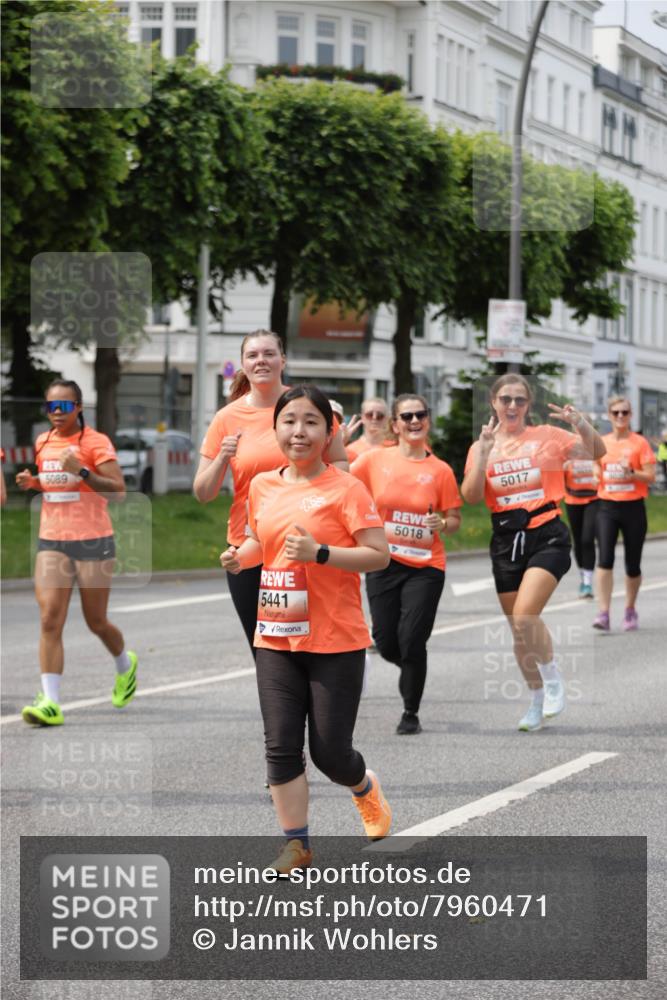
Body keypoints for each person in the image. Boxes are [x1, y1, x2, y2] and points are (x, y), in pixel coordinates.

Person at [220, 385, 392, 873]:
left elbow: (379, 555)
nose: (299, 431)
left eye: (311, 422)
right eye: (289, 421)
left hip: (334, 637)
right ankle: (297, 844)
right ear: (275, 429)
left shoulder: (346, 488)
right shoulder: (262, 486)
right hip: (276, 630)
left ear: (329, 430)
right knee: (279, 743)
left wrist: (321, 553)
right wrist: (240, 558)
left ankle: (363, 786)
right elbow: (259, 540)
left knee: (330, 752)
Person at [461, 374, 605, 733]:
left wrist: (580, 423)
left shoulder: (548, 438)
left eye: (520, 400)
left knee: (526, 616)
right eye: (505, 399)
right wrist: (480, 455)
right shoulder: (484, 444)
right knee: (520, 633)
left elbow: (598, 452)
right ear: (493, 403)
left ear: (528, 405)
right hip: (506, 541)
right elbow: (472, 497)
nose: (512, 406)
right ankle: (537, 699)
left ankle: (554, 680)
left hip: (547, 534)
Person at [194, 330, 349, 657]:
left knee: (308, 644)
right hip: (250, 547)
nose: (260, 360)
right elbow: (203, 492)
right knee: (267, 649)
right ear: (243, 364)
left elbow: (339, 464)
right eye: (252, 355)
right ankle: (286, 707)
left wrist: (323, 502)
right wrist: (222, 457)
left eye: (268, 353)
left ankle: (327, 693)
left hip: (303, 542)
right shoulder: (227, 418)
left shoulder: (306, 404)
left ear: (283, 360)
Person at [15, 379, 137, 726]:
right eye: (50, 406)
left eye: (64, 406)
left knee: (95, 620)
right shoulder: (44, 441)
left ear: (79, 408)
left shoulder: (96, 442)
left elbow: (118, 491)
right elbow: (54, 483)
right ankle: (51, 702)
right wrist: (33, 482)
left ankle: (124, 665)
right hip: (52, 539)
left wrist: (82, 471)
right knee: (49, 618)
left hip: (93, 539)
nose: (56, 412)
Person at [351, 393, 461, 735]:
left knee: (412, 639)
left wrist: (441, 525)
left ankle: (410, 711)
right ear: (395, 425)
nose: (415, 422)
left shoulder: (439, 470)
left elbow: (454, 518)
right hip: (384, 561)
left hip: (426, 565)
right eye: (407, 417)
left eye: (421, 415)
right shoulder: (373, 461)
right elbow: (342, 481)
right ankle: (413, 668)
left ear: (427, 420)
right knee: (385, 641)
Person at [593, 396, 656, 632]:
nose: (620, 416)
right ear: (609, 415)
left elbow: (650, 476)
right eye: (616, 413)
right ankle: (604, 612)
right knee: (605, 559)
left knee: (632, 564)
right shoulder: (601, 442)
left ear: (631, 416)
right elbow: (596, 466)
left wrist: (632, 472)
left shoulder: (639, 443)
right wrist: (595, 472)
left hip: (633, 507)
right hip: (607, 507)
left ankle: (630, 610)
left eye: (625, 413)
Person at [563, 444, 599, 598]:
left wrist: (598, 475)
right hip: (572, 499)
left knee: (587, 539)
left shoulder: (596, 448)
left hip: (594, 499)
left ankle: (588, 582)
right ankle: (583, 576)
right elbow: (557, 475)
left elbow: (603, 467)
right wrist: (563, 467)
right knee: (577, 541)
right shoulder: (567, 450)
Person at [343, 397, 393, 462]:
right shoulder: (351, 449)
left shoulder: (395, 447)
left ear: (386, 419)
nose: (374, 418)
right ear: (362, 418)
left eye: (380, 415)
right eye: (369, 414)